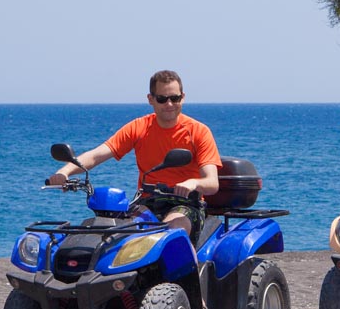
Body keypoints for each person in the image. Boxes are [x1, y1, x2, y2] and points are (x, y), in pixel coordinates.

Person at [47, 69, 222, 242]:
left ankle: (189, 270)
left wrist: (193, 183)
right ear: (151, 99)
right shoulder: (139, 127)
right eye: (162, 99)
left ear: (182, 97)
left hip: (186, 204)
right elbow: (97, 155)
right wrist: (65, 172)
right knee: (117, 234)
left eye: (174, 98)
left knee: (171, 235)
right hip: (148, 201)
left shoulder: (198, 131)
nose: (169, 104)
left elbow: (212, 183)